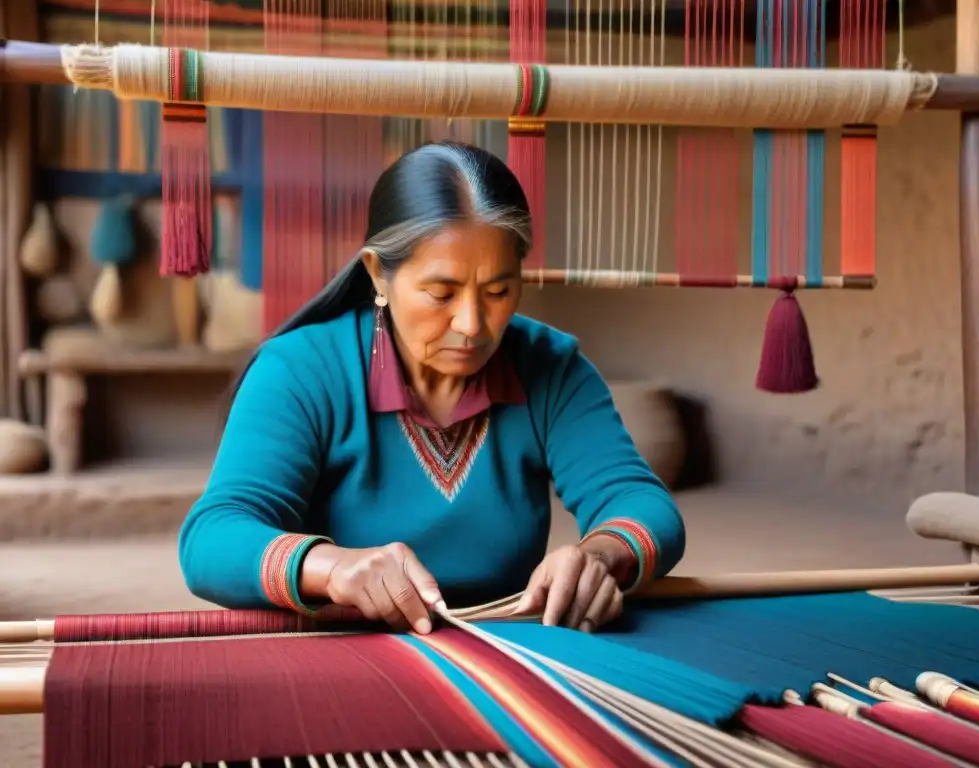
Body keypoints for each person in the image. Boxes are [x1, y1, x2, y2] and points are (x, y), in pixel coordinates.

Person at [178, 142, 685, 636]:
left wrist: (599, 556)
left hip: (509, 645)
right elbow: (212, 538)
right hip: (344, 645)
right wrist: (333, 568)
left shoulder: (551, 367)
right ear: (378, 273)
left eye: (499, 291)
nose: (471, 323)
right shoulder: (300, 369)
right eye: (441, 293)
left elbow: (640, 501)